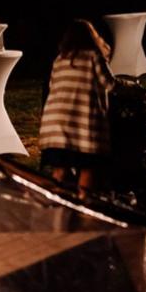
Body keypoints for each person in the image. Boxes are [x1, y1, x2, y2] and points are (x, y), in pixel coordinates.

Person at [39, 19, 116, 195]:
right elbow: (109, 84)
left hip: (55, 127)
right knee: (88, 168)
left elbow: (53, 86)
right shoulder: (93, 56)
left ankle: (58, 208)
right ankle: (84, 207)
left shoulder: (60, 59)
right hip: (83, 128)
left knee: (60, 170)